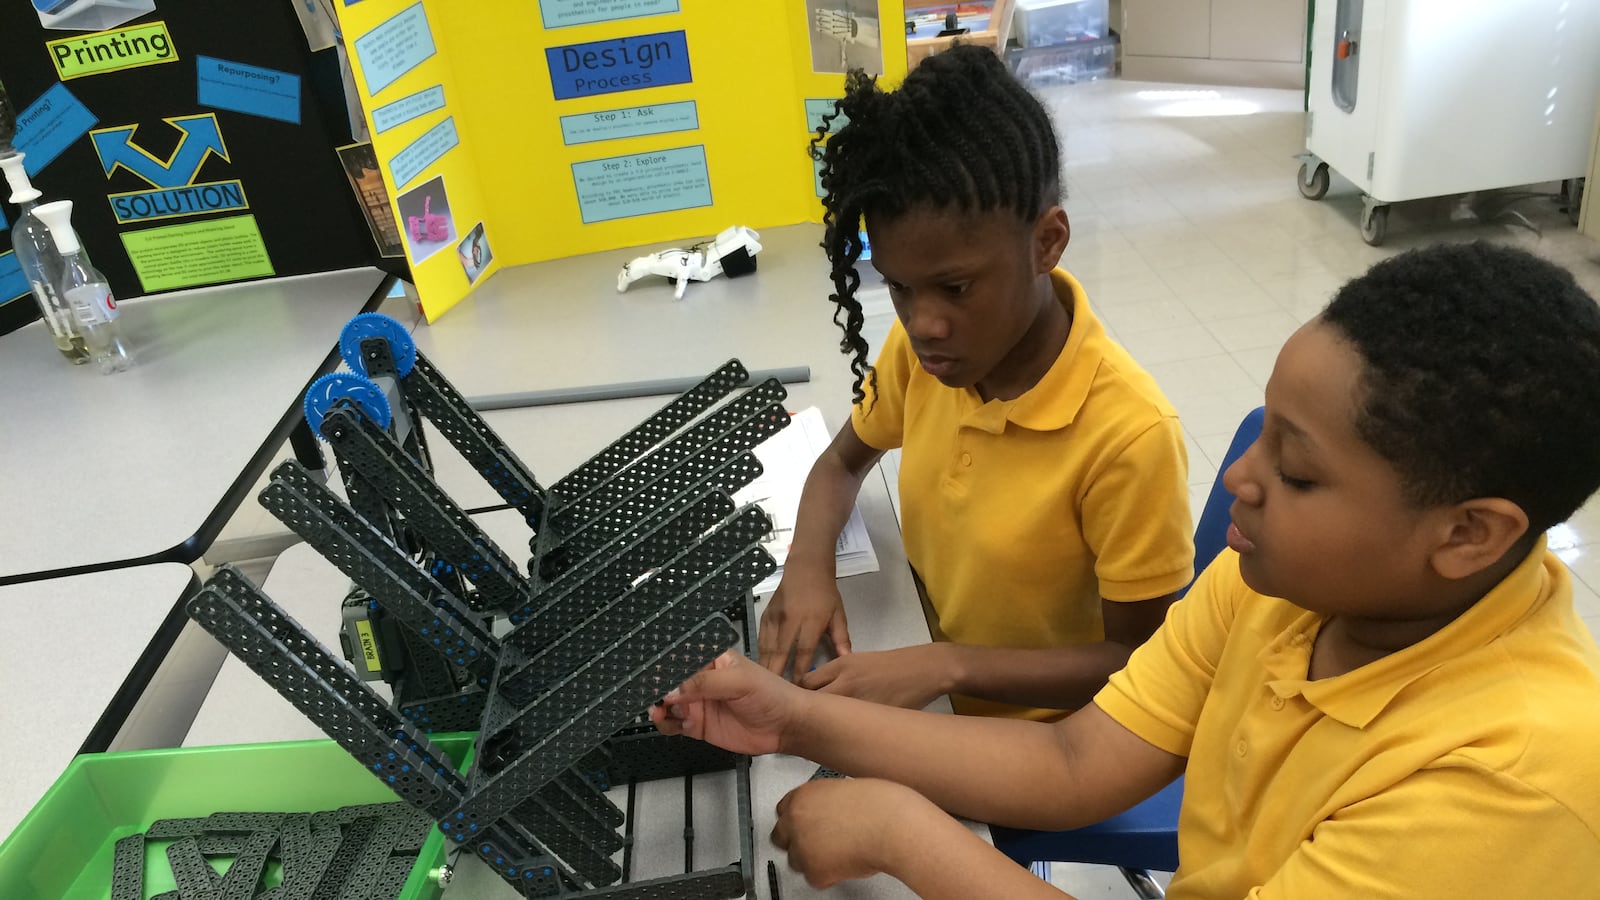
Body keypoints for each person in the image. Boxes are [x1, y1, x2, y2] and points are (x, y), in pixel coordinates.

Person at [658, 242, 1600, 897]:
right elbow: (1077, 761)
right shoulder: (1283, 588)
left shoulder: (1510, 779)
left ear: (1469, 534)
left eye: (1298, 471)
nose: (1239, 479)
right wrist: (793, 716)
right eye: (1264, 434)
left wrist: (901, 834)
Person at [758, 44, 1195, 721]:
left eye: (956, 288)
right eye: (900, 288)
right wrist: (808, 567)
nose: (923, 323)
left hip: (1047, 736)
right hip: (930, 674)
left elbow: (1139, 664)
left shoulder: (1129, 437)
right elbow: (841, 465)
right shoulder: (925, 355)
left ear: (1047, 242)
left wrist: (947, 665)